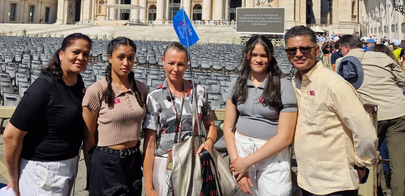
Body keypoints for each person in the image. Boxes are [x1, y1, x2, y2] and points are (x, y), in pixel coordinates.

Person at [285, 26, 377, 196]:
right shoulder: (296, 82)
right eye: (292, 50)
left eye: (304, 49)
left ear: (316, 50)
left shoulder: (335, 85)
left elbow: (364, 131)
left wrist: (361, 164)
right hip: (307, 179)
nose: (298, 54)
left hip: (335, 183)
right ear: (286, 53)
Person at [3, 33, 92, 196]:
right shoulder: (44, 86)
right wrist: (13, 178)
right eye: (76, 52)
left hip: (69, 164)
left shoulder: (77, 81)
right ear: (61, 54)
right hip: (44, 170)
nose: (81, 57)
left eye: (86, 54)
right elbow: (10, 136)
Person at [223, 35, 297, 196]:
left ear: (270, 57)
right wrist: (238, 165)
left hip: (272, 158)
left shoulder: (283, 86)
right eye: (254, 55)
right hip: (240, 153)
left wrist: (246, 163)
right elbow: (228, 127)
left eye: (263, 55)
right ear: (246, 55)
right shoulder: (237, 83)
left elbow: (285, 137)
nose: (258, 59)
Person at [143, 42, 217, 196]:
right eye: (171, 63)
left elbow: (210, 125)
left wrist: (209, 142)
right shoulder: (154, 98)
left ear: (187, 64)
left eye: (180, 64)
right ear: (163, 61)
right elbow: (149, 146)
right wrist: (149, 188)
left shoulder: (199, 92)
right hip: (164, 165)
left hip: (194, 163)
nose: (175, 69)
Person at [338, 34, 405, 196]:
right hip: (398, 111)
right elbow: (402, 79)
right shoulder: (382, 57)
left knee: (369, 159)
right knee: (400, 163)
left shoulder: (344, 62)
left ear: (346, 48)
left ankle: (376, 191)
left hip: (372, 116)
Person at [83, 37, 148, 196]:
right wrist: (93, 167)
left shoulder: (142, 89)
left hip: (133, 159)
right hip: (107, 162)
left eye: (130, 58)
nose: (126, 63)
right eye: (120, 57)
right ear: (109, 58)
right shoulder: (97, 90)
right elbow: (88, 137)